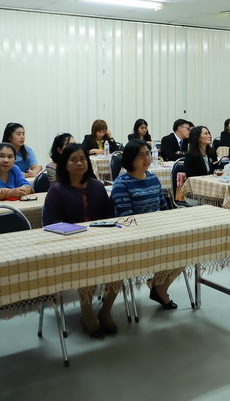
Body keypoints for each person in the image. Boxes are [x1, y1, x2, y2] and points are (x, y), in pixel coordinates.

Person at [42, 143, 116, 337]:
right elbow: (50, 223)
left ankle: (106, 310)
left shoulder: (97, 186)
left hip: (99, 242)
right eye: (73, 160)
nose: (79, 163)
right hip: (69, 248)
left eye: (82, 159)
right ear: (65, 164)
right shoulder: (57, 190)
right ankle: (87, 313)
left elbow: (110, 216)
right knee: (88, 265)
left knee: (119, 264)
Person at [111, 140, 180, 310]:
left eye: (147, 153)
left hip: (157, 231)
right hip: (134, 236)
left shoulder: (153, 178)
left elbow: (164, 208)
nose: (146, 158)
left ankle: (159, 288)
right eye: (141, 155)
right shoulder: (121, 183)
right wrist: (152, 228)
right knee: (171, 248)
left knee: (185, 248)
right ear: (130, 159)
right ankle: (158, 288)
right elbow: (126, 218)